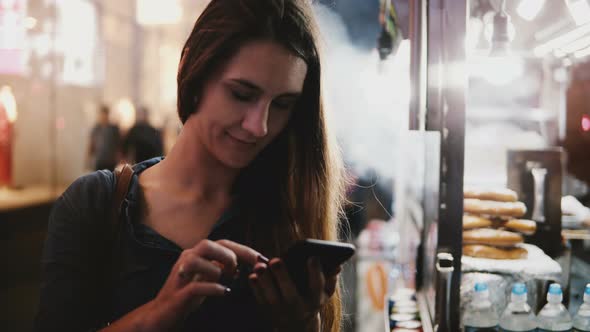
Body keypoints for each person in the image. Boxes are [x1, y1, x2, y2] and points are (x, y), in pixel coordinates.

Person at [34, 1, 347, 331]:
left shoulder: (288, 214)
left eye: (282, 104)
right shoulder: (94, 204)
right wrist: (161, 311)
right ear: (192, 70)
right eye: (241, 94)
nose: (260, 126)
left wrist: (304, 323)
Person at [88, 104, 121, 171]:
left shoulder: (114, 128)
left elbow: (118, 144)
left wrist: (118, 158)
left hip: (110, 161)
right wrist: (88, 159)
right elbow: (92, 143)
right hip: (99, 160)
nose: (103, 116)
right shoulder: (96, 128)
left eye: (105, 114)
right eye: (102, 114)